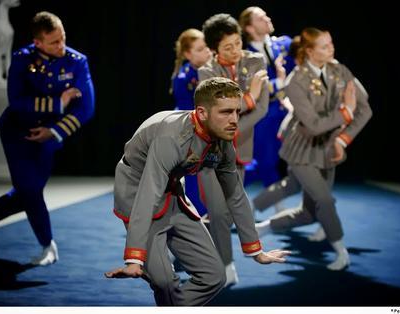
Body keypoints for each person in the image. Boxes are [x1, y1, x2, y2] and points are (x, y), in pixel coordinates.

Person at [105, 77, 290, 306]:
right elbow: (148, 193)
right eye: (225, 112)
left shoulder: (223, 141)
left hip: (172, 189)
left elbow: (235, 195)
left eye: (237, 111)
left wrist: (256, 250)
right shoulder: (171, 137)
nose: (234, 120)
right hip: (137, 190)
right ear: (202, 113)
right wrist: (135, 257)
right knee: (164, 282)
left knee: (215, 276)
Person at [0, 11, 95, 265]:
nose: (61, 46)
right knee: (30, 189)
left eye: (63, 38)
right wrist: (58, 103)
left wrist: (55, 131)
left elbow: (86, 108)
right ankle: (47, 245)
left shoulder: (76, 61)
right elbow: (17, 102)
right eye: (54, 42)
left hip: (49, 136)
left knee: (28, 192)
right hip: (17, 133)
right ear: (38, 42)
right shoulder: (21, 60)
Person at [255, 28, 372, 271]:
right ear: (309, 51)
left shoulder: (339, 70)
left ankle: (263, 227)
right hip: (302, 148)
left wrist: (342, 140)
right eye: (324, 46)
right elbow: (314, 125)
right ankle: (342, 252)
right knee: (325, 200)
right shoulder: (295, 81)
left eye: (331, 44)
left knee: (309, 213)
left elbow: (365, 108)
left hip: (329, 148)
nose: (331, 49)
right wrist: (344, 113)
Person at [197, 13, 269, 286]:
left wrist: (233, 127)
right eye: (228, 47)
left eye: (238, 43)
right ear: (215, 49)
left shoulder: (255, 61)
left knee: (228, 210)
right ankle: (225, 267)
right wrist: (249, 94)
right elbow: (215, 114)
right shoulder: (206, 72)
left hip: (240, 150)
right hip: (210, 151)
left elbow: (261, 109)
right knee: (217, 211)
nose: (236, 50)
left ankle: (188, 241)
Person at [239, 6, 296, 186]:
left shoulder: (285, 44)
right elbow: (248, 89)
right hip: (265, 113)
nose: (267, 19)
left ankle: (314, 205)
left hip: (293, 110)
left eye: (266, 15)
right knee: (265, 160)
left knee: (305, 158)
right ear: (249, 27)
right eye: (260, 18)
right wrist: (278, 83)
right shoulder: (243, 56)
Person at [170, 28, 212, 217]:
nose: (207, 51)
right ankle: (197, 214)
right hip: (192, 131)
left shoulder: (211, 69)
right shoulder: (184, 78)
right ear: (188, 54)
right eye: (200, 49)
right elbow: (191, 112)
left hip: (208, 130)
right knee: (195, 175)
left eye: (207, 47)